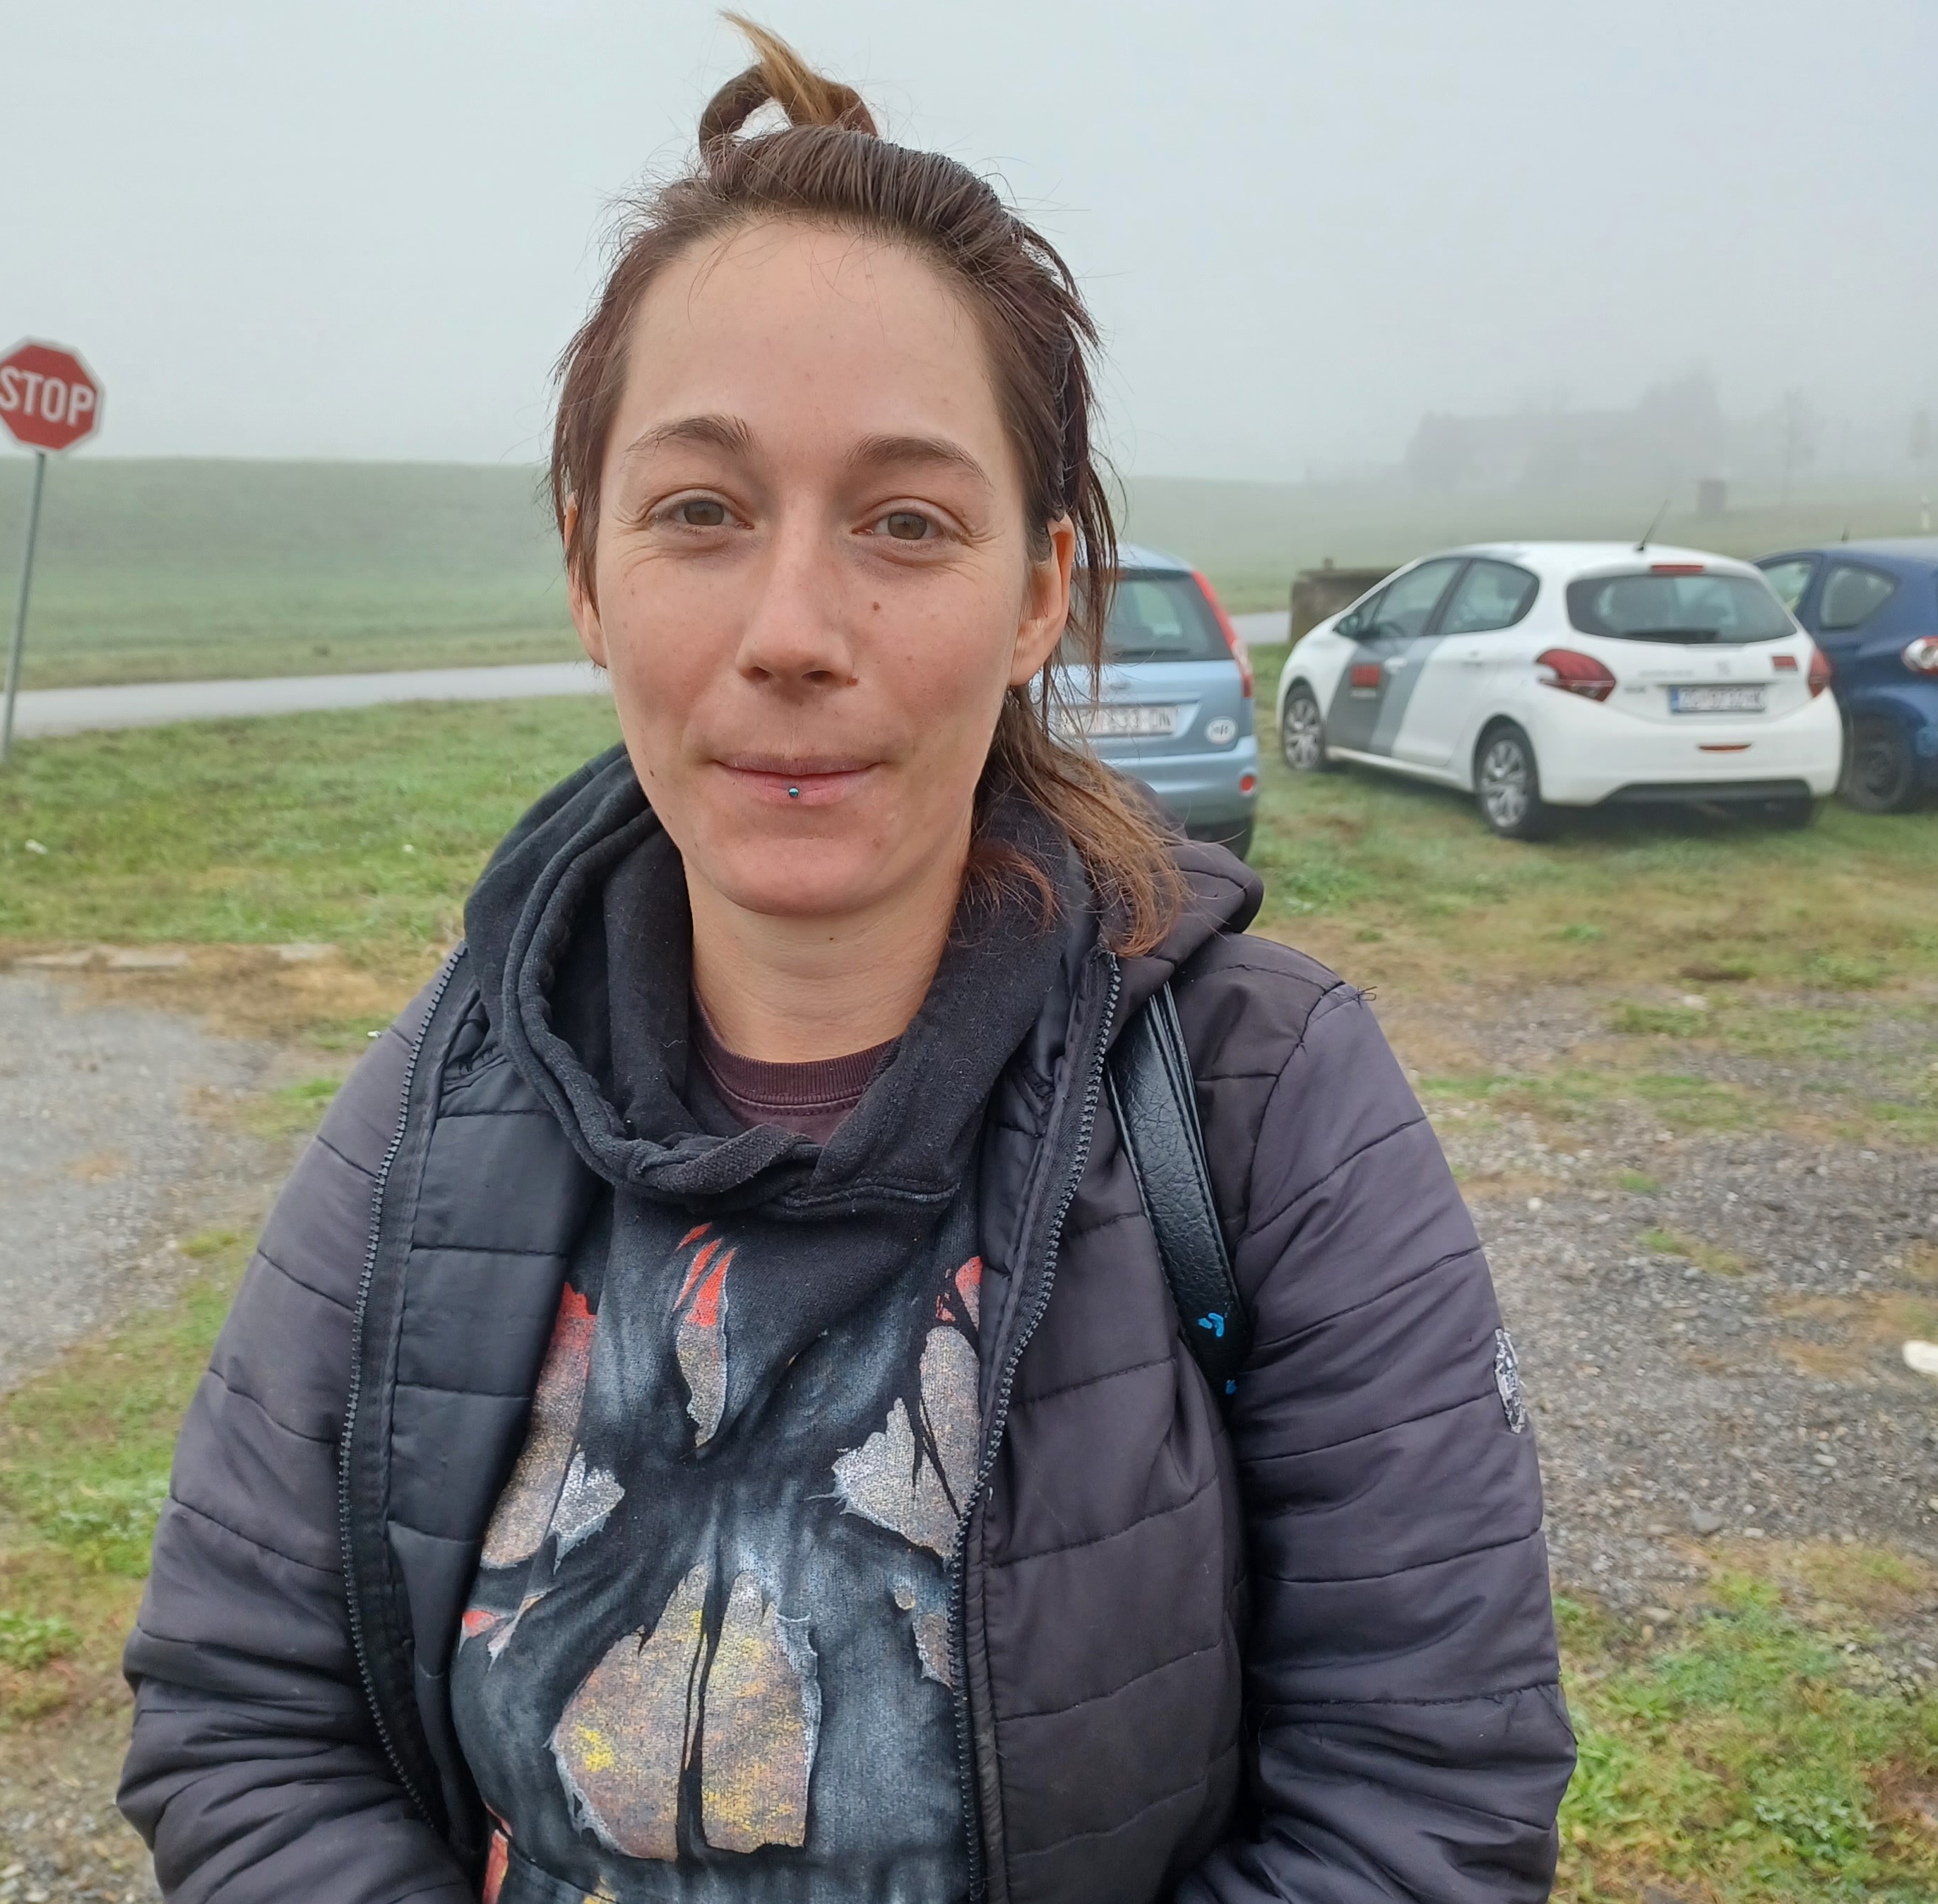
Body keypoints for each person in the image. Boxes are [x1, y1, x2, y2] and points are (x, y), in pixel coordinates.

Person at [118, 20, 1574, 1903]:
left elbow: (1422, 1799)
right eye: (701, 512)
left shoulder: (1265, 1100)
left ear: (1039, 593)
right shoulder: (448, 1091)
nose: (795, 629)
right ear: (586, 570)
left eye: (905, 522)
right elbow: (242, 1717)